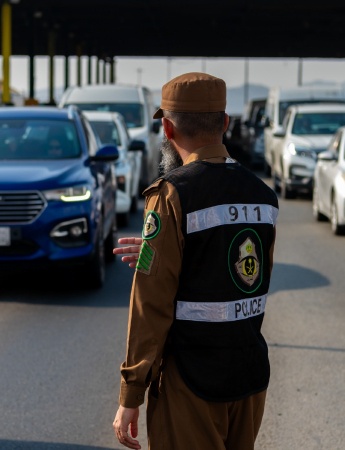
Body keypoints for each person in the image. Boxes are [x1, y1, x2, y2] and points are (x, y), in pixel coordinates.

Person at [111, 73, 279, 450]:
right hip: (249, 374)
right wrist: (169, 250)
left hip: (191, 379)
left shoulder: (172, 194)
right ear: (224, 124)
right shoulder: (263, 194)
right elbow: (244, 273)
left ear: (167, 129)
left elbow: (150, 305)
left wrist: (130, 394)